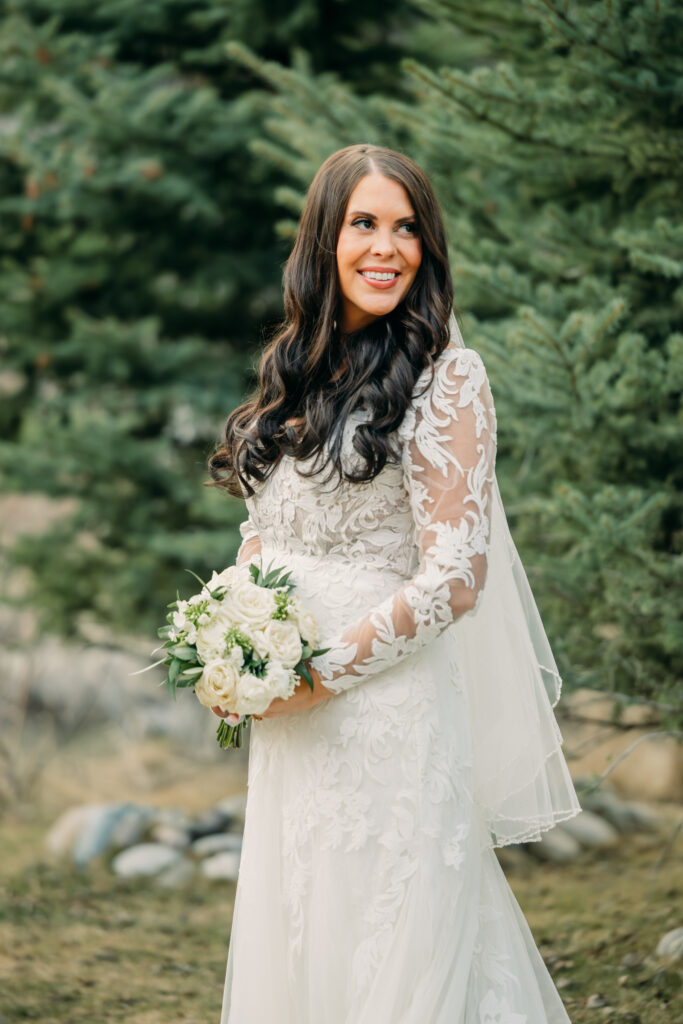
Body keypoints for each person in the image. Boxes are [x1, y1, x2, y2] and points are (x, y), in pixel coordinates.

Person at [208, 143, 582, 1023]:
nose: (387, 248)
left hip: (388, 713)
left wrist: (318, 674)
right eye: (364, 224)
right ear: (323, 240)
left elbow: (455, 577)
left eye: (407, 228)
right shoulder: (295, 371)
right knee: (303, 937)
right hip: (293, 725)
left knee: (396, 949)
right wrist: (229, 651)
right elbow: (265, 537)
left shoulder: (447, 376)